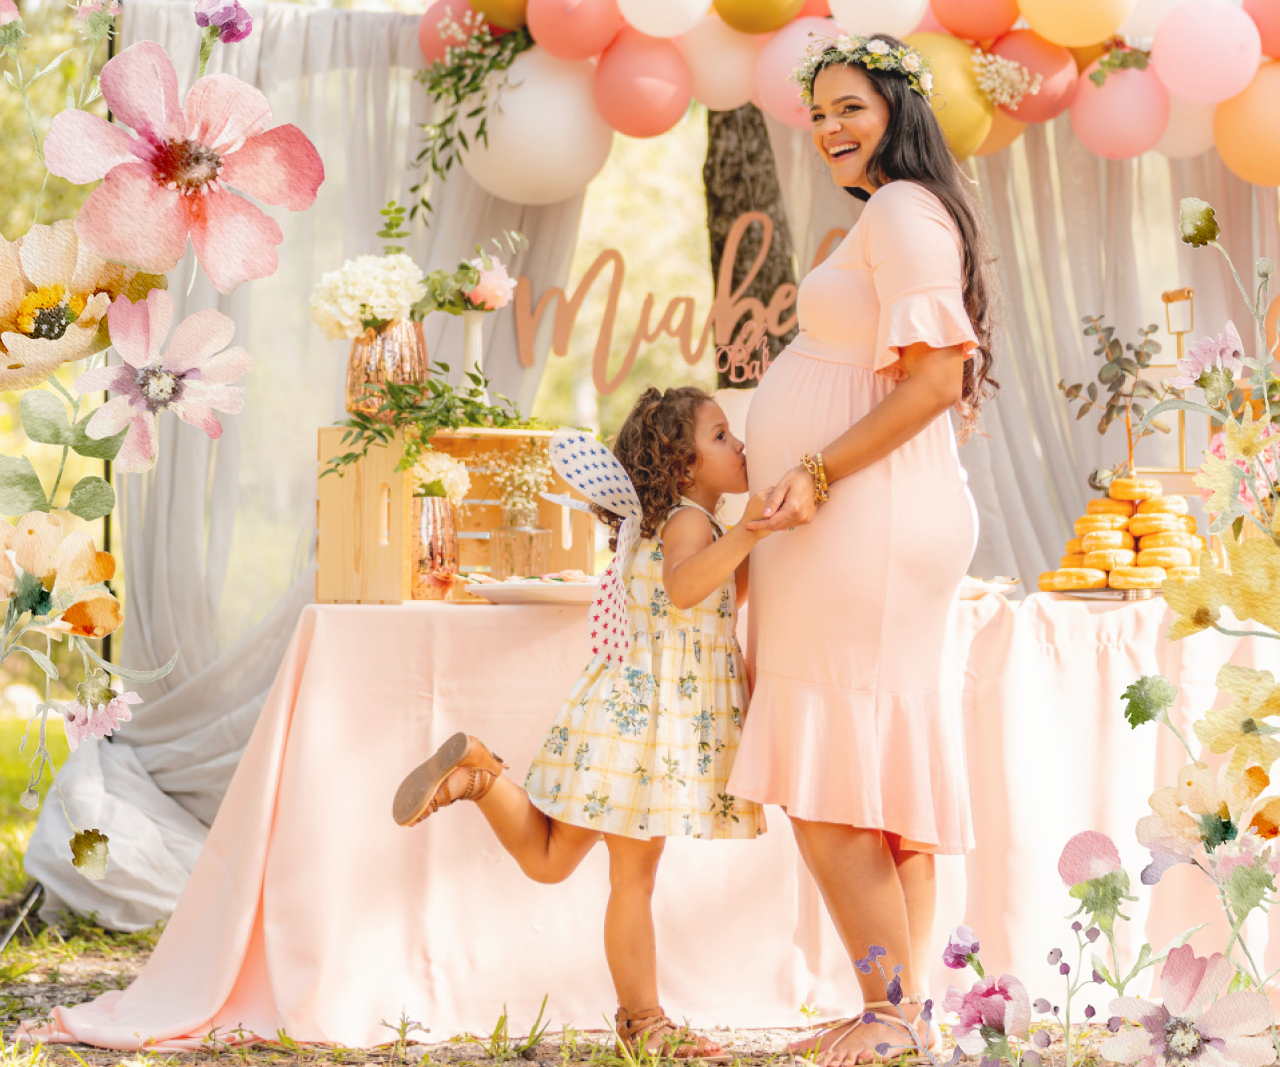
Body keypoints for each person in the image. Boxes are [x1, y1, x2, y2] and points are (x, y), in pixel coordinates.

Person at [725, 32, 1000, 1067]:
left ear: (897, 106)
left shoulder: (899, 209)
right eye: (819, 110)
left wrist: (818, 471)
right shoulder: (889, 215)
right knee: (874, 773)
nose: (829, 127)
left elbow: (933, 380)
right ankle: (898, 1012)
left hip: (861, 524)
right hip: (850, 521)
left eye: (850, 107)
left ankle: (890, 1012)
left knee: (833, 764)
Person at [392, 386, 768, 1061]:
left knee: (550, 859)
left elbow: (705, 596)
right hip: (643, 726)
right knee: (632, 879)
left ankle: (478, 775)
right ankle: (644, 1020)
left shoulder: (678, 526)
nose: (738, 445)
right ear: (683, 468)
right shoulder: (690, 523)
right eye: (720, 435)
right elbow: (686, 587)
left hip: (625, 715)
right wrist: (753, 531)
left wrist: (751, 554)